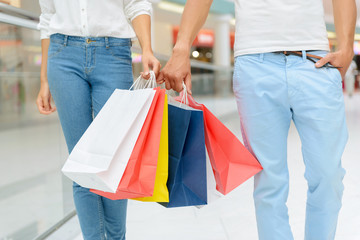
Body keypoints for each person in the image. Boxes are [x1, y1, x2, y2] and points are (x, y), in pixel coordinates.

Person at [158, 0, 356, 239]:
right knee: (268, 181)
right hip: (255, 64)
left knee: (329, 175)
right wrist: (181, 48)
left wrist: (346, 48)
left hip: (314, 61)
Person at [36, 0, 160, 239]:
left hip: (113, 54)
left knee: (113, 164)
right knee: (80, 165)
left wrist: (147, 49)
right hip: (62, 55)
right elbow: (47, 18)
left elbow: (136, 4)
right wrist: (44, 81)